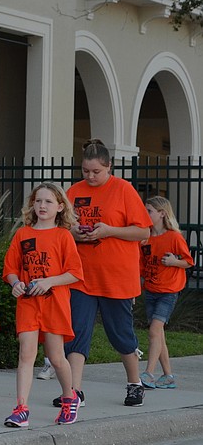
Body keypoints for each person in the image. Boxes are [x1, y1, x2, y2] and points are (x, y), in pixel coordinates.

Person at [64, 139, 151, 408]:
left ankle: (135, 383)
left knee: (120, 333)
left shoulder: (123, 190)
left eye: (96, 172)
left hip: (116, 277)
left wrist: (110, 230)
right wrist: (74, 232)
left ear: (109, 167)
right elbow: (63, 227)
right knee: (77, 332)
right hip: (82, 276)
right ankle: (74, 391)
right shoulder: (74, 191)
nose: (90, 177)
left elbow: (144, 232)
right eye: (86, 171)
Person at [2, 183, 84, 427]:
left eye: (48, 202)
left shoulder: (63, 236)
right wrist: (15, 283)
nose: (42, 206)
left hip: (54, 303)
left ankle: (70, 397)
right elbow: (10, 269)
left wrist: (49, 282)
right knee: (26, 354)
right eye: (38, 201)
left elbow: (74, 273)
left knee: (56, 356)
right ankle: (21, 408)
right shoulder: (23, 234)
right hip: (28, 303)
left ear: (60, 207)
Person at [139, 196, 193, 389]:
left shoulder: (174, 237)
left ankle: (149, 373)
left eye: (149, 211)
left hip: (169, 291)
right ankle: (168, 376)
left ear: (162, 213)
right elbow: (141, 265)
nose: (145, 214)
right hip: (151, 290)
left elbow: (188, 261)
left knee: (154, 330)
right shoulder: (145, 238)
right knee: (158, 334)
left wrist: (173, 262)